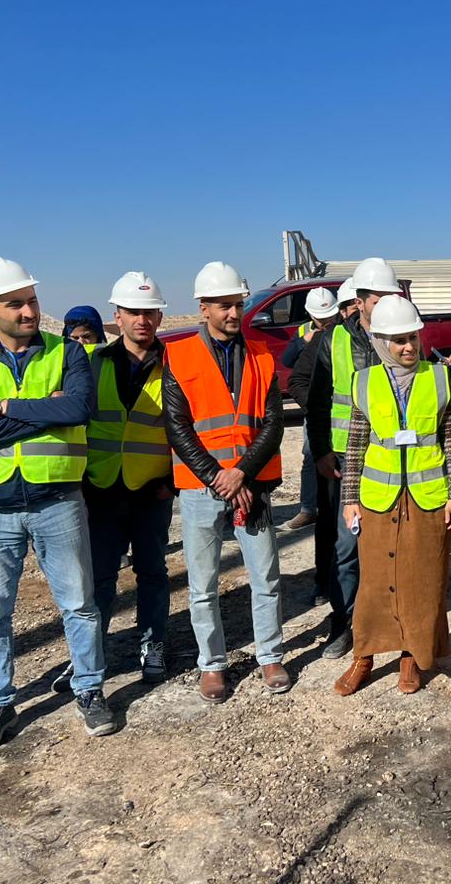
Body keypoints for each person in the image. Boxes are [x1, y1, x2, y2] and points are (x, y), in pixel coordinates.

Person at [0, 258, 114, 752]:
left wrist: (3, 408)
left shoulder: (69, 352)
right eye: (15, 304)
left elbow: (77, 408)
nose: (29, 311)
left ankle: (90, 690)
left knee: (79, 605)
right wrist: (46, 411)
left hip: (57, 501)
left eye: (32, 300)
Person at [163, 261, 289, 702]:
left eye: (237, 304)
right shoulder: (179, 355)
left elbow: (273, 423)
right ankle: (212, 665)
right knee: (202, 586)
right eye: (223, 305)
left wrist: (242, 473)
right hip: (203, 488)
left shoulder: (261, 354)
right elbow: (177, 427)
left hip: (251, 486)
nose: (234, 313)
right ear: (204, 308)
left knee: (266, 577)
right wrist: (219, 477)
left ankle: (270, 656)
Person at [334, 296, 451, 696]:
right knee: (374, 581)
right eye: (398, 340)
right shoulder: (364, 381)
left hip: (428, 496)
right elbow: (356, 444)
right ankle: (364, 655)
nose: (408, 347)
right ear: (381, 342)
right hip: (378, 497)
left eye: (412, 338)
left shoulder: (440, 378)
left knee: (421, 579)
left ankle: (412, 655)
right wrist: (349, 499)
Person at [307, 258, 403, 660]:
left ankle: (388, 622)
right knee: (346, 545)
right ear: (360, 302)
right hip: (345, 458)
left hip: (391, 457)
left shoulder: (402, 334)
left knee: (389, 545)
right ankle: (344, 621)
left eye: (391, 297)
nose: (386, 305)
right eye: (378, 298)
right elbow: (316, 401)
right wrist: (320, 450)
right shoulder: (334, 340)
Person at [81, 272, 174, 686]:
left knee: (152, 572)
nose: (142, 320)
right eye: (133, 312)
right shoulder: (91, 362)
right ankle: (89, 653)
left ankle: (153, 644)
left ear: (159, 317)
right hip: (101, 487)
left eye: (149, 312)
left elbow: (184, 428)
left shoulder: (174, 364)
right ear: (116, 316)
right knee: (99, 577)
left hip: (152, 490)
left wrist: (174, 482)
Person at [281, 287, 340, 533]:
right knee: (310, 455)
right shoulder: (303, 332)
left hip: (340, 406)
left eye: (330, 317)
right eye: (321, 318)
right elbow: (287, 362)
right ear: (311, 315)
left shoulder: (343, 331)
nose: (326, 322)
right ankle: (308, 508)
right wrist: (301, 343)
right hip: (315, 405)